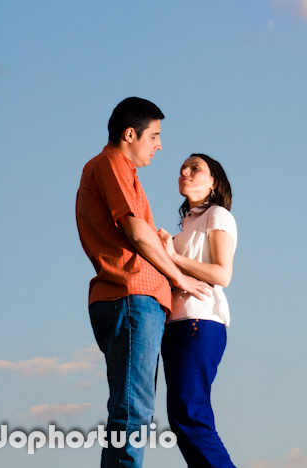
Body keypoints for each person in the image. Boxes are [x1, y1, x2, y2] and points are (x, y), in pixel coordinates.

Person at [76, 98, 212, 468]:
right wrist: (178, 274)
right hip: (130, 296)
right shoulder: (111, 164)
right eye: (154, 136)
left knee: (133, 411)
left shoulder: (122, 172)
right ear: (130, 134)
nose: (160, 145)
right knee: (132, 413)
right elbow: (136, 232)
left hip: (131, 300)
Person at [158, 153, 237, 468]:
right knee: (179, 418)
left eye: (195, 168)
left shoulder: (217, 215)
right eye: (183, 168)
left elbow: (222, 274)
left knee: (189, 410)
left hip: (200, 321)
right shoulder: (184, 228)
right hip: (175, 326)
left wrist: (173, 257)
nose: (184, 171)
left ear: (213, 181)